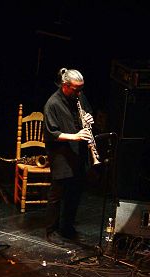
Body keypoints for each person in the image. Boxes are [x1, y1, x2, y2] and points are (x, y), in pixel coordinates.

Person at [43, 68, 95, 245]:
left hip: (78, 152)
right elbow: (52, 133)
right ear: (65, 86)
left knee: (75, 192)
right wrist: (75, 136)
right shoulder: (52, 103)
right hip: (61, 154)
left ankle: (67, 226)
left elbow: (87, 113)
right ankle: (51, 231)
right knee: (57, 194)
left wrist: (88, 118)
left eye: (81, 88)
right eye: (76, 89)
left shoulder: (79, 96)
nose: (79, 92)